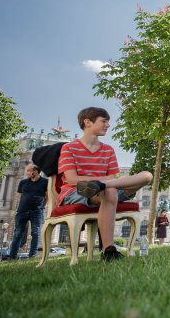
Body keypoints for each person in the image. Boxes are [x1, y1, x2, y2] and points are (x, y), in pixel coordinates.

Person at [59, 107, 153, 261]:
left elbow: (113, 177)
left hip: (107, 190)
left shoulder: (108, 150)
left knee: (147, 176)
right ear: (87, 122)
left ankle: (101, 187)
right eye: (103, 121)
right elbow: (72, 180)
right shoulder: (69, 148)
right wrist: (104, 181)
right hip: (76, 192)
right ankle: (108, 250)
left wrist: (102, 183)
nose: (108, 125)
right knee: (110, 190)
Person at [8, 164, 48, 259]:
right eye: (27, 170)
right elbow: (19, 196)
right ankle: (12, 256)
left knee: (35, 233)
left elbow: (47, 196)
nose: (27, 172)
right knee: (17, 233)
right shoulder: (23, 182)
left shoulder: (45, 182)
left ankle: (32, 255)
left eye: (29, 170)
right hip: (22, 211)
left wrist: (42, 207)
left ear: (36, 171)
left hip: (36, 211)